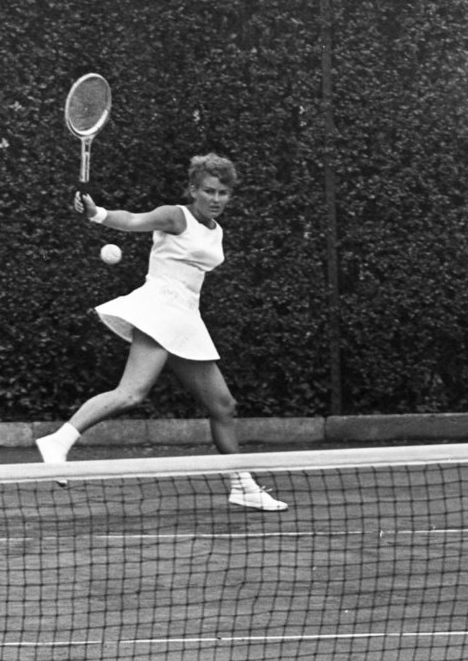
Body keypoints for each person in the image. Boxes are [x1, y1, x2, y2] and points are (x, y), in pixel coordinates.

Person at [36, 153, 287, 512]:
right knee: (131, 393)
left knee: (223, 405)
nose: (216, 199)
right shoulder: (175, 215)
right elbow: (133, 220)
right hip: (160, 307)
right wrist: (97, 213)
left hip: (186, 316)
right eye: (208, 191)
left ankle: (241, 485)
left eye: (223, 193)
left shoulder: (217, 231)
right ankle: (59, 441)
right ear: (193, 190)